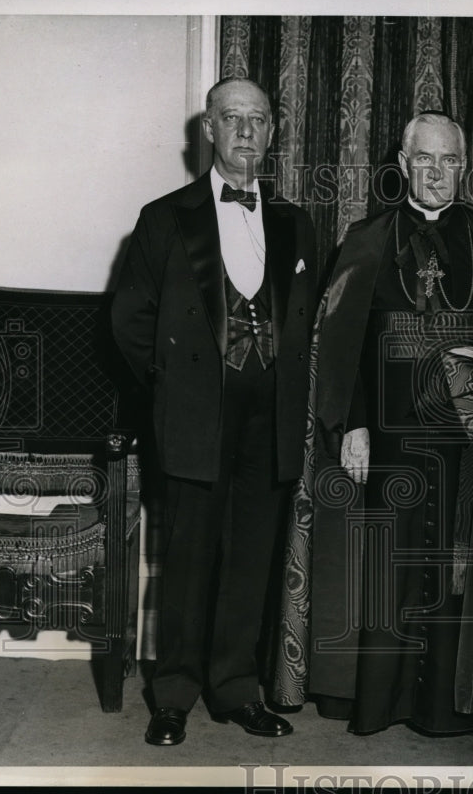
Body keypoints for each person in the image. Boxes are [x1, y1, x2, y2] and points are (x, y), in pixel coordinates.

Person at [270, 112, 473, 736]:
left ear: (462, 167)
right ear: (402, 164)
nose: (437, 173)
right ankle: (378, 703)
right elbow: (341, 346)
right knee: (388, 569)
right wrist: (354, 425)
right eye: (425, 160)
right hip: (389, 437)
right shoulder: (366, 240)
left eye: (449, 161)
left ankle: (445, 705)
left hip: (469, 439)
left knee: (455, 572)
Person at [111, 78, 318, 746]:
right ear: (208, 129)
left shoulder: (296, 222)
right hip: (196, 416)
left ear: (273, 131)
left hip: (271, 418)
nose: (246, 131)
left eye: (258, 120)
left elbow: (310, 322)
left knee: (252, 558)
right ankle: (172, 695)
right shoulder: (163, 218)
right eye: (233, 118)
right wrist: (174, 388)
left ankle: (235, 690)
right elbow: (128, 318)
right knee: (190, 558)